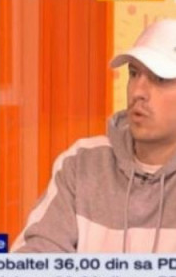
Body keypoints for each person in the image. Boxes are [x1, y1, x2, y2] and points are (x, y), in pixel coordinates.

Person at [12, 19, 176, 253]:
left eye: (159, 78)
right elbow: (34, 259)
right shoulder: (82, 163)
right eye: (133, 73)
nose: (138, 92)